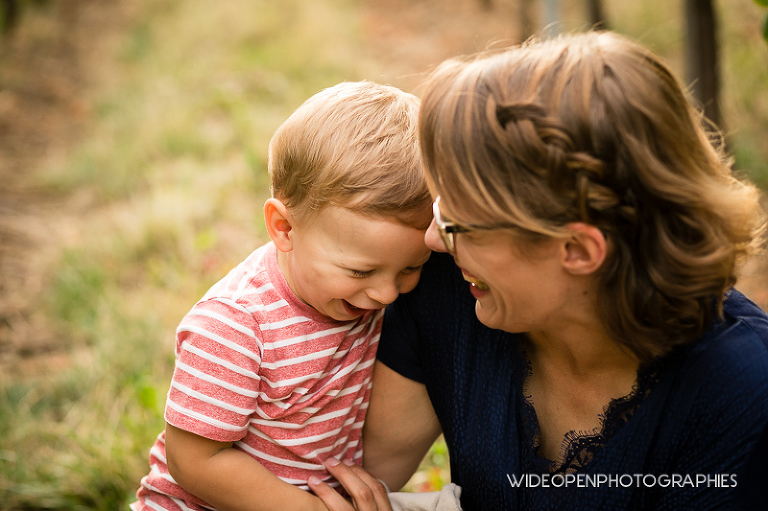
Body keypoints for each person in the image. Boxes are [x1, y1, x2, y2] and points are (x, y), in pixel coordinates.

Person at [309, 31, 768, 510]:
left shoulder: (742, 394)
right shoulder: (451, 285)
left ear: (577, 248)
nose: (433, 239)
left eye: (460, 221)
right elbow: (350, 474)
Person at [131, 81, 433, 511]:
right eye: (360, 271)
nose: (386, 293)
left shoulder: (352, 292)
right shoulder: (236, 326)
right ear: (284, 228)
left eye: (410, 268)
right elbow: (193, 460)